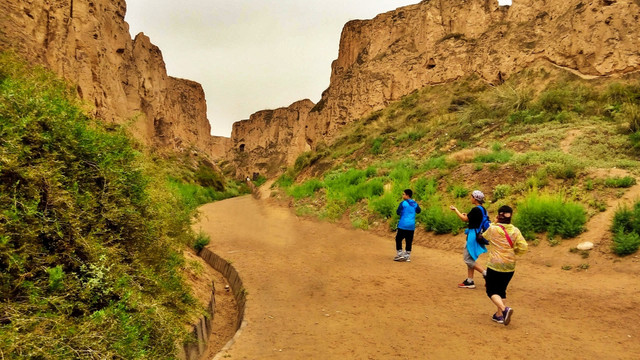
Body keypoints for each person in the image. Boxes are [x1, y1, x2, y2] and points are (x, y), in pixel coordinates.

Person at [481, 205, 527, 325]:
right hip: (510, 265)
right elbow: (523, 246)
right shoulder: (516, 230)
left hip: (495, 265)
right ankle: (499, 316)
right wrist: (514, 252)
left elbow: (484, 236)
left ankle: (504, 309)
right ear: (511, 216)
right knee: (502, 290)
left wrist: (494, 222)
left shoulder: (494, 229)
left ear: (499, 215)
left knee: (491, 290)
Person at [449, 190, 488, 289]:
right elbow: (474, 219)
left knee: (467, 259)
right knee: (471, 258)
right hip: (478, 234)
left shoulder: (475, 210)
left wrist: (455, 210)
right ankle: (470, 281)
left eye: (471, 196)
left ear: (475, 198)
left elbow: (464, 219)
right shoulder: (483, 209)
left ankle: (486, 274)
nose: (470, 198)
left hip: (472, 235)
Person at [394, 189, 421, 262]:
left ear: (407, 195)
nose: (402, 195)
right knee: (409, 240)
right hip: (411, 225)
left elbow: (398, 212)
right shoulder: (415, 204)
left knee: (398, 239)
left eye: (403, 194)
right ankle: (407, 255)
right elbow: (419, 211)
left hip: (403, 224)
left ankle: (400, 254)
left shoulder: (403, 203)